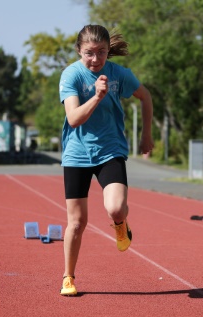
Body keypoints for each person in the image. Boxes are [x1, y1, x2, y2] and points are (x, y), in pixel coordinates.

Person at [58, 24, 154, 296]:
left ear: (108, 51)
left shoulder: (119, 74)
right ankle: (68, 277)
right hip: (77, 154)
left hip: (110, 150)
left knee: (115, 208)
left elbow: (145, 97)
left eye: (101, 52)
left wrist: (146, 134)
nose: (96, 59)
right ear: (79, 51)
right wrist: (98, 96)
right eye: (89, 53)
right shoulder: (71, 76)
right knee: (77, 223)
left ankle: (121, 225)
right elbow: (74, 118)